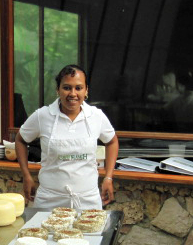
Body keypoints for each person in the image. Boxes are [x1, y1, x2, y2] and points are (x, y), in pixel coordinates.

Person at [15, 64, 119, 211]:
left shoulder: (96, 116)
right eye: (67, 88)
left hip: (87, 200)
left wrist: (108, 177)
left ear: (86, 90)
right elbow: (20, 140)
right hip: (49, 200)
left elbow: (112, 141)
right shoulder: (42, 116)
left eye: (78, 88)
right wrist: (26, 176)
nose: (73, 93)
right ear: (58, 90)